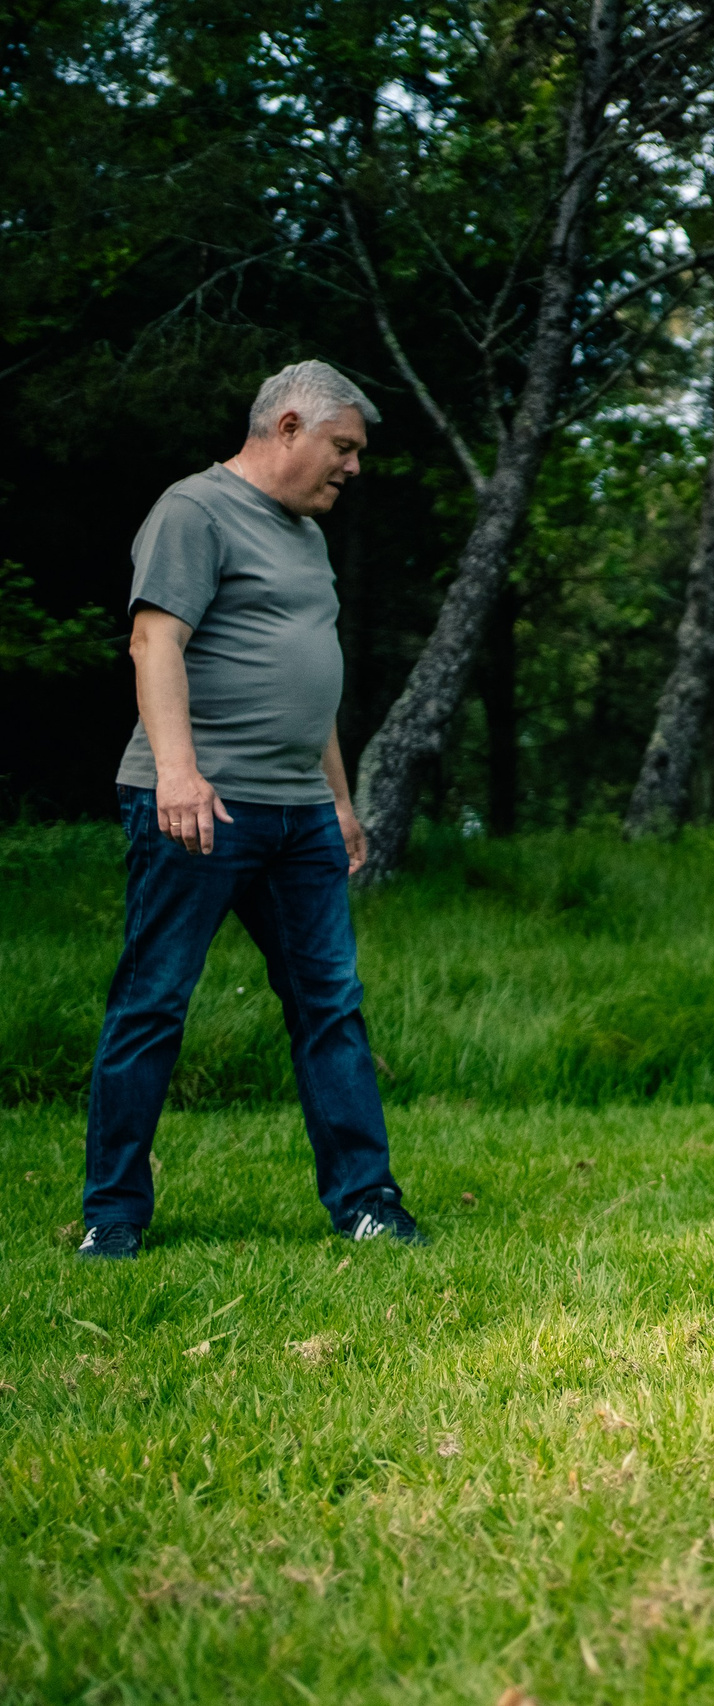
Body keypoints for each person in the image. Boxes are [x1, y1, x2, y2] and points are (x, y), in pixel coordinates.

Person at [78, 360, 424, 1260]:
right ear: (287, 428)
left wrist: (341, 802)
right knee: (152, 1003)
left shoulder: (307, 535)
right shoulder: (193, 511)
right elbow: (155, 640)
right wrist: (180, 776)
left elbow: (311, 678)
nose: (353, 467)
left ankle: (367, 1202)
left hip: (300, 812)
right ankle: (113, 1213)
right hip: (202, 805)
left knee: (330, 1007)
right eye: (342, 448)